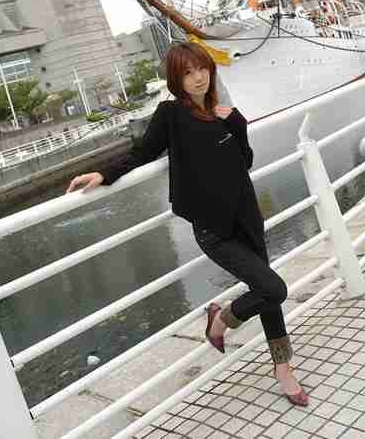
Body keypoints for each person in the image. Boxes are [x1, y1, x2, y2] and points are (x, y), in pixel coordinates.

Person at [66, 42, 308, 407]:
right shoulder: (171, 114)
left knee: (267, 291)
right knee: (273, 289)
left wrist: (237, 125)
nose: (198, 78)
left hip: (247, 216)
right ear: (176, 79)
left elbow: (244, 162)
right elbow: (142, 152)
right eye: (188, 73)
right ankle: (221, 321)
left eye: (202, 69)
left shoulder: (223, 112)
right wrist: (103, 174)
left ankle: (282, 366)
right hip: (213, 229)